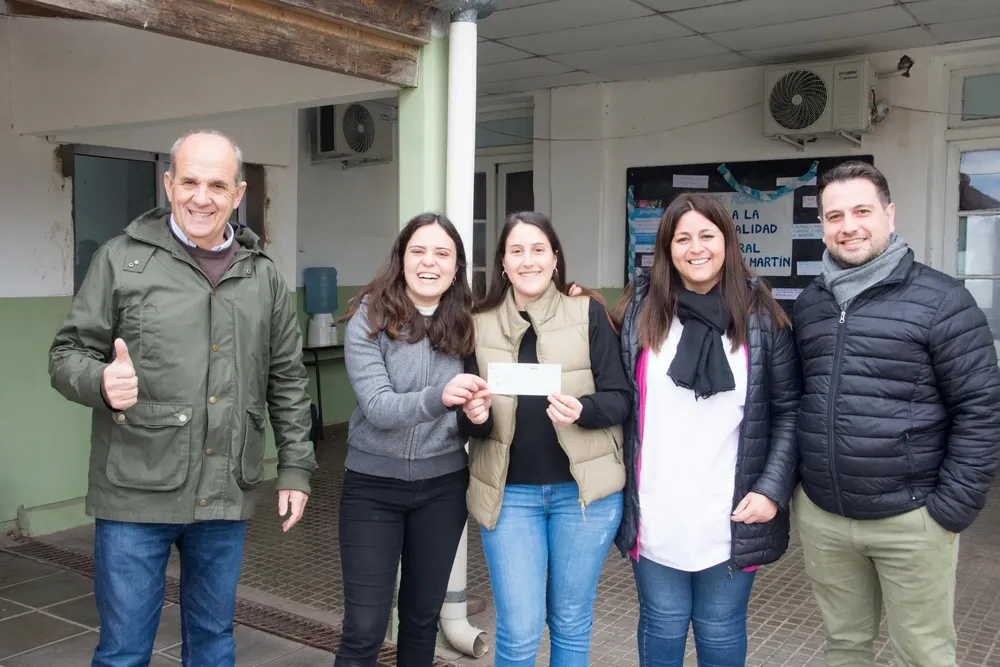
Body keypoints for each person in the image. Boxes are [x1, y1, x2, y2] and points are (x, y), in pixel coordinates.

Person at [48, 130, 316, 667]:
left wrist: (295, 470)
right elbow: (65, 356)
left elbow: (287, 380)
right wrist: (101, 381)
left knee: (213, 644)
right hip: (134, 491)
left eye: (217, 185)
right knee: (124, 651)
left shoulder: (263, 277)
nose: (202, 197)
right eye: (189, 181)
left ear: (237, 194)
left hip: (224, 491)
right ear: (168, 185)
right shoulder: (121, 261)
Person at [792, 160, 1000, 666]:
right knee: (845, 648)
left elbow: (981, 409)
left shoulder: (943, 299)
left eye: (861, 210)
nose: (848, 226)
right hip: (826, 517)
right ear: (822, 224)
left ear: (889, 213)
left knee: (923, 654)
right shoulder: (811, 304)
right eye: (834, 215)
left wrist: (950, 509)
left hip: (912, 519)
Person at [611, 193, 801, 667]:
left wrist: (772, 490)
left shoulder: (761, 316)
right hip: (656, 505)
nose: (696, 248)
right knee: (662, 622)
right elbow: (613, 389)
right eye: (683, 238)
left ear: (727, 242)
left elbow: (789, 411)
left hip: (732, 508)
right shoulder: (640, 311)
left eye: (707, 235)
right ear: (667, 249)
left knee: (720, 629)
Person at [458, 211, 630, 667]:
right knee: (518, 630)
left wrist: (585, 410)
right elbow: (464, 415)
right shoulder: (477, 322)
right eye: (517, 251)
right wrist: (472, 416)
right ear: (502, 263)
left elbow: (621, 398)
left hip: (584, 497)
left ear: (555, 259)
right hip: (509, 496)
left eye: (538, 250)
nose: (528, 260)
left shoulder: (587, 311)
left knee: (571, 620)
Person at [337, 213, 486, 667]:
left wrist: (478, 416)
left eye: (442, 254)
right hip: (372, 489)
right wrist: (439, 398)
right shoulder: (368, 317)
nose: (429, 262)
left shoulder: (470, 322)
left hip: (442, 488)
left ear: (456, 267)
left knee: (421, 621)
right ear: (401, 258)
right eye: (418, 251)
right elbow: (379, 408)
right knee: (364, 628)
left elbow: (475, 415)